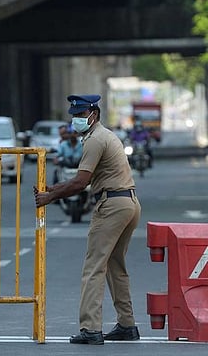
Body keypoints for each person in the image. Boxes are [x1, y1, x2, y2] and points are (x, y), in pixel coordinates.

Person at [34, 94, 141, 345]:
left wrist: (50, 197)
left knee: (94, 267)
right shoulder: (105, 136)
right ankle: (127, 324)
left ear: (94, 115)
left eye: (81, 115)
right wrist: (55, 189)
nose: (76, 120)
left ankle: (91, 328)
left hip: (112, 205)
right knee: (115, 266)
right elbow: (84, 179)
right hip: (129, 202)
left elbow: (81, 182)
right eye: (74, 115)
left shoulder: (94, 140)